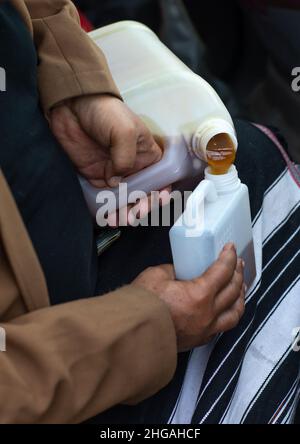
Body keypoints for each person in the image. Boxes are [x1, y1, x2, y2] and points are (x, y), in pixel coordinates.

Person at [0, 0, 299, 425]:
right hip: (72, 372)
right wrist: (144, 329)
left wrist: (75, 86)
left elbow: (37, 10)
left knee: (249, 156)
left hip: (86, 236)